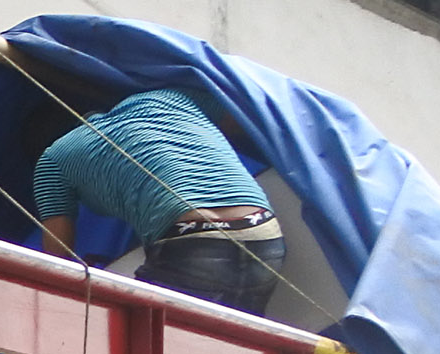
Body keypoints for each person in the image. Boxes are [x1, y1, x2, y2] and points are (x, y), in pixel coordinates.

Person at [35, 87, 286, 316]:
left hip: (192, 240)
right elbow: (243, 116)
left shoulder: (52, 158)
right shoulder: (166, 97)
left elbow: (58, 259)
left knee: (134, 339)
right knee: (237, 347)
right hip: (264, 233)